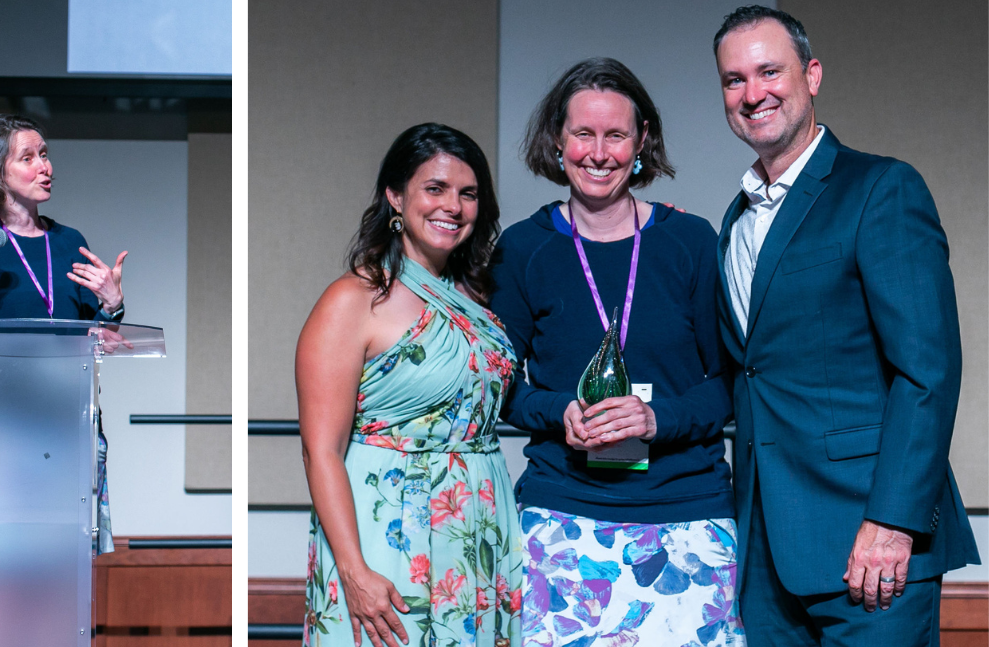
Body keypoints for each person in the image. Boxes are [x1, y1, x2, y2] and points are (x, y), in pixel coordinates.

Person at [711, 6, 980, 645]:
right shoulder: (733, 221)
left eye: (769, 71)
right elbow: (750, 375)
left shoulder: (880, 188)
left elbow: (928, 370)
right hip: (767, 556)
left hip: (872, 547)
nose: (753, 94)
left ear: (813, 75)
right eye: (733, 79)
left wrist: (893, 523)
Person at [489, 58, 744, 646]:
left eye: (615, 135)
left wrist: (660, 418)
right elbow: (500, 387)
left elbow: (730, 380)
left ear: (642, 141)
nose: (598, 153)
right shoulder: (525, 249)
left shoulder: (690, 241)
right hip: (565, 514)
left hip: (688, 515)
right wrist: (561, 411)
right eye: (583, 134)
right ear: (557, 139)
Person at [297, 123, 522, 647]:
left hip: (475, 526)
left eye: (468, 194)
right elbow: (320, 450)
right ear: (396, 197)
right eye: (435, 188)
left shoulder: (479, 296)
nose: (453, 206)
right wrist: (353, 571)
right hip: (385, 535)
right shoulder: (353, 300)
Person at [0, 114, 128, 646]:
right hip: (5, 429)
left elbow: (97, 336)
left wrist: (112, 307)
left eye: (45, 153)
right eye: (28, 156)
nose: (44, 165)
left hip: (64, 428)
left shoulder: (70, 241)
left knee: (56, 589)